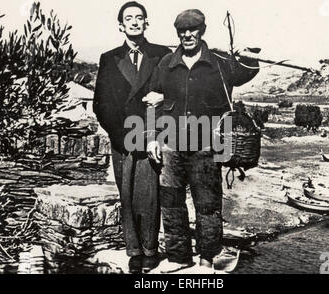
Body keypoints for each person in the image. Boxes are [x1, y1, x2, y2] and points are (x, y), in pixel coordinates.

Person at [146, 9, 260, 273]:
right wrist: (152, 138)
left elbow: (247, 71)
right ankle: (178, 257)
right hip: (171, 146)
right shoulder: (166, 63)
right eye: (182, 31)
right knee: (172, 204)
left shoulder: (220, 62)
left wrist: (249, 54)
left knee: (208, 206)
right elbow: (152, 103)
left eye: (192, 29)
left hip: (208, 147)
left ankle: (207, 259)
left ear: (202, 31)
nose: (187, 35)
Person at [93, 1, 171, 274]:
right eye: (129, 18)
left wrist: (163, 98)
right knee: (125, 194)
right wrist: (119, 134)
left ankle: (150, 250)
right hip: (122, 138)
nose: (135, 22)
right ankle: (133, 250)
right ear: (121, 25)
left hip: (151, 135)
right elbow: (100, 103)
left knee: (149, 195)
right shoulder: (109, 58)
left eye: (140, 18)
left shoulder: (162, 54)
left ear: (146, 23)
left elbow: (175, 92)